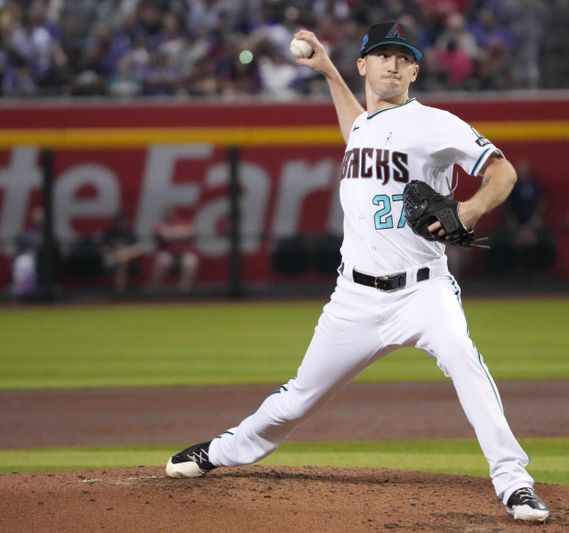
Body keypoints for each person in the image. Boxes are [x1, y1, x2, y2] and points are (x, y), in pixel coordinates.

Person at [164, 21, 549, 523]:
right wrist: (326, 70)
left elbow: (503, 172)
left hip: (423, 291)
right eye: (383, 55)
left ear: (415, 69)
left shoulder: (437, 123)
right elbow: (357, 129)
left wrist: (470, 210)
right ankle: (220, 452)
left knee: (464, 360)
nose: (393, 64)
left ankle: (514, 482)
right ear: (364, 64)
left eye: (403, 57)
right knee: (298, 398)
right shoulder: (365, 125)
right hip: (354, 298)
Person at [149, 207, 198, 292]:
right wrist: (177, 234)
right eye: (167, 213)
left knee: (190, 261)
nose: (170, 215)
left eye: (171, 213)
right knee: (161, 261)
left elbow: (191, 234)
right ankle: (154, 291)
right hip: (167, 252)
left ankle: (183, 290)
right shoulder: (160, 225)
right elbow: (160, 237)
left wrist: (174, 234)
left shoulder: (184, 223)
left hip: (184, 253)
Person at [101, 211, 143, 294]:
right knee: (121, 257)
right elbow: (103, 249)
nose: (121, 222)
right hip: (111, 259)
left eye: (123, 220)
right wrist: (114, 250)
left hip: (128, 259)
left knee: (122, 258)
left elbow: (138, 249)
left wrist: (124, 251)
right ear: (116, 221)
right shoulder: (109, 233)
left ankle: (119, 291)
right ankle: (120, 291)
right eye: (119, 220)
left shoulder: (129, 233)